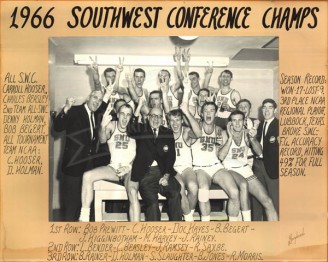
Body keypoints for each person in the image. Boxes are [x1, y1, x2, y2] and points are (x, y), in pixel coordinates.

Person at [78, 103, 140, 222]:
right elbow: (102, 139)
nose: (125, 118)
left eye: (128, 115)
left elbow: (143, 153)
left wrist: (129, 167)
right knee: (87, 176)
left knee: (132, 191)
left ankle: (136, 230)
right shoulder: (112, 125)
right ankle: (84, 217)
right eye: (122, 114)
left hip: (130, 170)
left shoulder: (136, 128)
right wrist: (102, 125)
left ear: (131, 117)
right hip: (114, 169)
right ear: (117, 114)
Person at [53, 90, 106, 221]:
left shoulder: (95, 115)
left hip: (88, 167)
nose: (97, 102)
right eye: (95, 97)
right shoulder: (75, 110)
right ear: (88, 97)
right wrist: (65, 109)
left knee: (84, 206)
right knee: (71, 207)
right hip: (73, 166)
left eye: (100, 100)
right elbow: (58, 127)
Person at [127, 99, 182, 221]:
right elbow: (130, 128)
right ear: (148, 117)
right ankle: (153, 234)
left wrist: (167, 175)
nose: (156, 119)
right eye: (153, 116)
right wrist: (139, 107)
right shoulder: (141, 129)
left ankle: (178, 229)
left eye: (159, 116)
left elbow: (171, 156)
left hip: (163, 172)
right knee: (152, 204)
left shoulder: (167, 132)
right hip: (145, 175)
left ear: (162, 118)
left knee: (175, 193)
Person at [219, 110, 278, 221]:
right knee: (243, 184)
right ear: (230, 123)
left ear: (244, 121)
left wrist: (253, 139)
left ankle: (274, 233)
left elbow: (260, 153)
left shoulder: (247, 133)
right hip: (229, 170)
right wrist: (230, 139)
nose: (237, 124)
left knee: (268, 202)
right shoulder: (223, 134)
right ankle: (247, 223)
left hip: (245, 170)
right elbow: (220, 157)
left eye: (240, 120)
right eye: (234, 121)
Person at [191, 101, 242, 221]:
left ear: (216, 113)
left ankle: (233, 228)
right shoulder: (195, 128)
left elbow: (221, 157)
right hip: (200, 168)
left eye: (212, 110)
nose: (209, 113)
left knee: (234, 192)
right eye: (206, 111)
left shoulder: (219, 130)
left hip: (216, 166)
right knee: (203, 192)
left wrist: (224, 142)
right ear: (201, 113)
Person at [168, 100, 202, 221]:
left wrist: (187, 113)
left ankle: (188, 215)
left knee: (193, 187)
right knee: (180, 187)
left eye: (177, 120)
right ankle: (189, 220)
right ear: (169, 122)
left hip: (186, 168)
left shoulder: (186, 132)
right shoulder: (165, 133)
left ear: (182, 121)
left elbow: (199, 134)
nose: (175, 123)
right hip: (173, 169)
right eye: (172, 120)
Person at [254, 98, 279, 216]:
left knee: (274, 199)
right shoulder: (259, 125)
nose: (266, 110)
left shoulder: (279, 125)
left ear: (275, 110)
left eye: (270, 107)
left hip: (272, 166)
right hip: (258, 164)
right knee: (257, 197)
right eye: (264, 107)